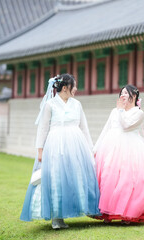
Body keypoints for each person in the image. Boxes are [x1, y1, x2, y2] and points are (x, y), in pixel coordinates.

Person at [20, 74, 100, 229]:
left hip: (76, 145)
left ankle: (79, 208)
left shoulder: (77, 104)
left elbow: (84, 127)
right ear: (65, 88)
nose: (76, 89)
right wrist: (40, 150)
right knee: (57, 177)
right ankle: (57, 218)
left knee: (75, 175)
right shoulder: (50, 105)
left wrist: (90, 148)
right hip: (55, 145)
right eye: (74, 86)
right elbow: (43, 129)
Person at [93, 84, 144, 224]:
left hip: (130, 149)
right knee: (108, 178)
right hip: (110, 148)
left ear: (134, 96)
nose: (122, 96)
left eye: (126, 93)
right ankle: (106, 212)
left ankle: (127, 214)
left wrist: (121, 111)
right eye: (121, 93)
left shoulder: (138, 113)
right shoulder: (114, 111)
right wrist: (95, 149)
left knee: (127, 180)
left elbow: (126, 126)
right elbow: (106, 130)